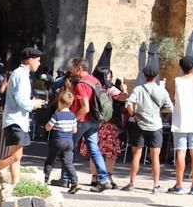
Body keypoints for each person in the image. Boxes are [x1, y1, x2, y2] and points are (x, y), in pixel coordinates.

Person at [0, 47, 43, 185]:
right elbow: (22, 101)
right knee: (16, 156)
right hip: (16, 120)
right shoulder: (21, 75)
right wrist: (35, 103)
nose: (39, 63)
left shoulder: (20, 74)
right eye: (38, 60)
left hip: (15, 120)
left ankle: (15, 184)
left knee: (16, 157)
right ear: (30, 59)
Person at [67, 57, 115, 191]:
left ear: (79, 69)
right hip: (95, 120)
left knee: (68, 148)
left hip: (83, 120)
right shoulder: (95, 81)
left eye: (72, 68)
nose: (71, 70)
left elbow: (85, 108)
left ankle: (66, 178)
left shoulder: (81, 84)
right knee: (94, 149)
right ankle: (104, 179)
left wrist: (73, 120)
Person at [122, 67, 172, 192]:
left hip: (139, 125)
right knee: (155, 157)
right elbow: (170, 107)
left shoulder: (138, 89)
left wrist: (133, 114)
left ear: (144, 76)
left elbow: (128, 104)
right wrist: (159, 111)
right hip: (156, 126)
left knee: (136, 155)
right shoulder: (162, 91)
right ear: (157, 76)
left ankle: (132, 183)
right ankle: (155, 185)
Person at [169, 55, 193, 195]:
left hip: (180, 121)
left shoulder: (176, 81)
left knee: (180, 152)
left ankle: (179, 185)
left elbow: (173, 98)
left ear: (181, 67)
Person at [43, 89, 80, 194]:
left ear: (60, 102)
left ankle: (44, 181)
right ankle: (74, 182)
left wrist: (48, 125)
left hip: (57, 141)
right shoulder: (72, 116)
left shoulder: (56, 115)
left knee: (50, 161)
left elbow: (48, 127)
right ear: (70, 103)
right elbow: (74, 130)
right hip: (69, 142)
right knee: (68, 163)